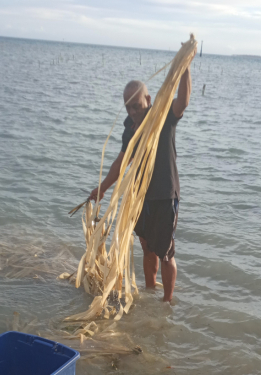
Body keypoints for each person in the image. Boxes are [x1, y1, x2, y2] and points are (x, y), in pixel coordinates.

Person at [89, 47, 196, 302]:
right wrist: (103, 187)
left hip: (164, 195)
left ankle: (167, 302)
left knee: (166, 253)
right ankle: (150, 292)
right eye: (128, 107)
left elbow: (183, 101)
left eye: (136, 106)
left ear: (148, 100)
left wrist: (185, 67)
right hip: (140, 197)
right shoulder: (130, 128)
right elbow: (121, 161)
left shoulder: (162, 118)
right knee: (147, 247)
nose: (133, 111)